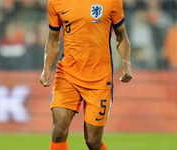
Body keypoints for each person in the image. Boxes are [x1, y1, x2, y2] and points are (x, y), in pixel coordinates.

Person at [40, 0, 132, 149]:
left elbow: (121, 36)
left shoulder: (112, 2)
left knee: (92, 141)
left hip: (100, 79)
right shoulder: (56, 2)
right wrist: (46, 67)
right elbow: (52, 39)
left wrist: (126, 62)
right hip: (68, 74)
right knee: (58, 131)